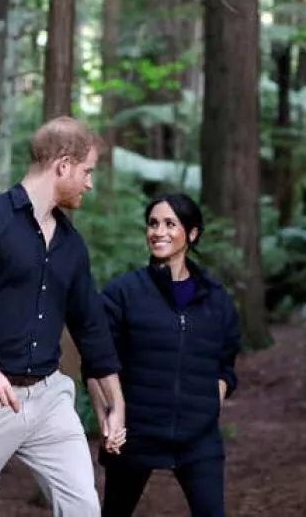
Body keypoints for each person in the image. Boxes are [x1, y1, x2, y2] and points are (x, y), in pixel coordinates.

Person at [0, 116, 127, 517]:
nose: (89, 183)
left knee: (84, 509)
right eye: (87, 171)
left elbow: (91, 327)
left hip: (49, 399)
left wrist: (116, 401)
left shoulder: (72, 245)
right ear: (63, 164)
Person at [86, 193, 242, 517]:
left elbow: (226, 364)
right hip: (136, 434)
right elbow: (96, 362)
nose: (159, 232)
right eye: (153, 223)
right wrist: (107, 420)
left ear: (192, 233)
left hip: (199, 441)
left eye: (170, 224)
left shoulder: (216, 299)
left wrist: (213, 397)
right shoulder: (123, 292)